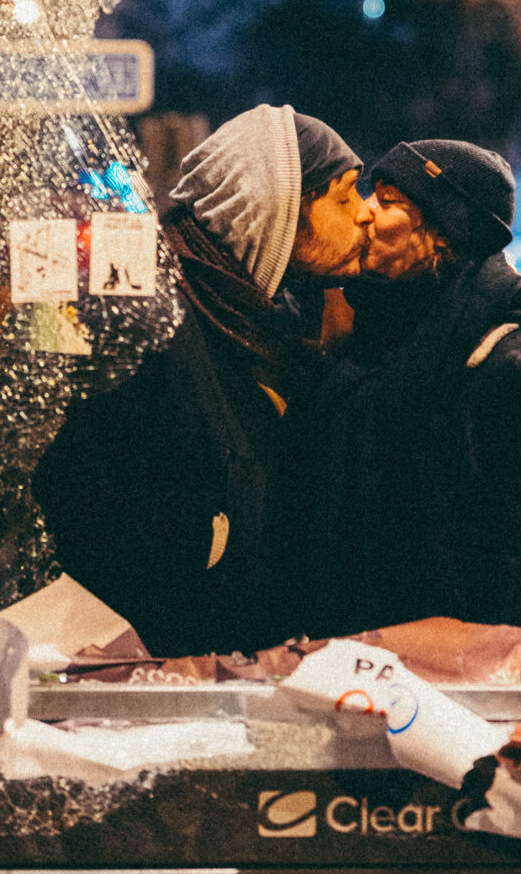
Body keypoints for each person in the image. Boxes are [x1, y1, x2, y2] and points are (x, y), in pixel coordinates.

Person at [33, 103, 372, 658]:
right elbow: (92, 503)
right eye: (344, 195)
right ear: (275, 208)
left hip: (218, 669)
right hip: (145, 674)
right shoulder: (161, 319)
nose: (363, 215)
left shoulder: (259, 325)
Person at [283, 139, 521, 666]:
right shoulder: (370, 344)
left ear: (444, 230)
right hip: (351, 682)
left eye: (388, 201)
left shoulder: (515, 368)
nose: (365, 212)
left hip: (455, 710)